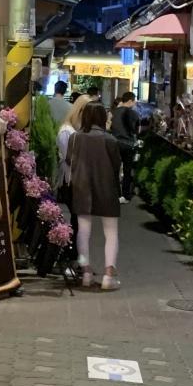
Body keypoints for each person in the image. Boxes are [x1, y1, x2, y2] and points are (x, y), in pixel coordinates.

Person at [67, 102, 122, 290]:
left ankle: (86, 273)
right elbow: (116, 166)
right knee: (111, 233)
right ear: (102, 118)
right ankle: (108, 276)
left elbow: (69, 160)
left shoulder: (75, 138)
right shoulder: (110, 140)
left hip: (82, 189)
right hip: (107, 189)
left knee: (83, 232)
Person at [109, 90, 140, 203]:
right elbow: (137, 131)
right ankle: (125, 195)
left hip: (115, 143)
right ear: (130, 101)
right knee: (127, 171)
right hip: (128, 145)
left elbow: (109, 127)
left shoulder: (113, 112)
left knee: (114, 170)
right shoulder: (134, 114)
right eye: (134, 101)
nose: (135, 103)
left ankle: (114, 194)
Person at [57, 94, 90, 190]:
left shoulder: (78, 128)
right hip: (71, 179)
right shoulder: (66, 131)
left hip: (80, 179)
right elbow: (69, 158)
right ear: (80, 110)